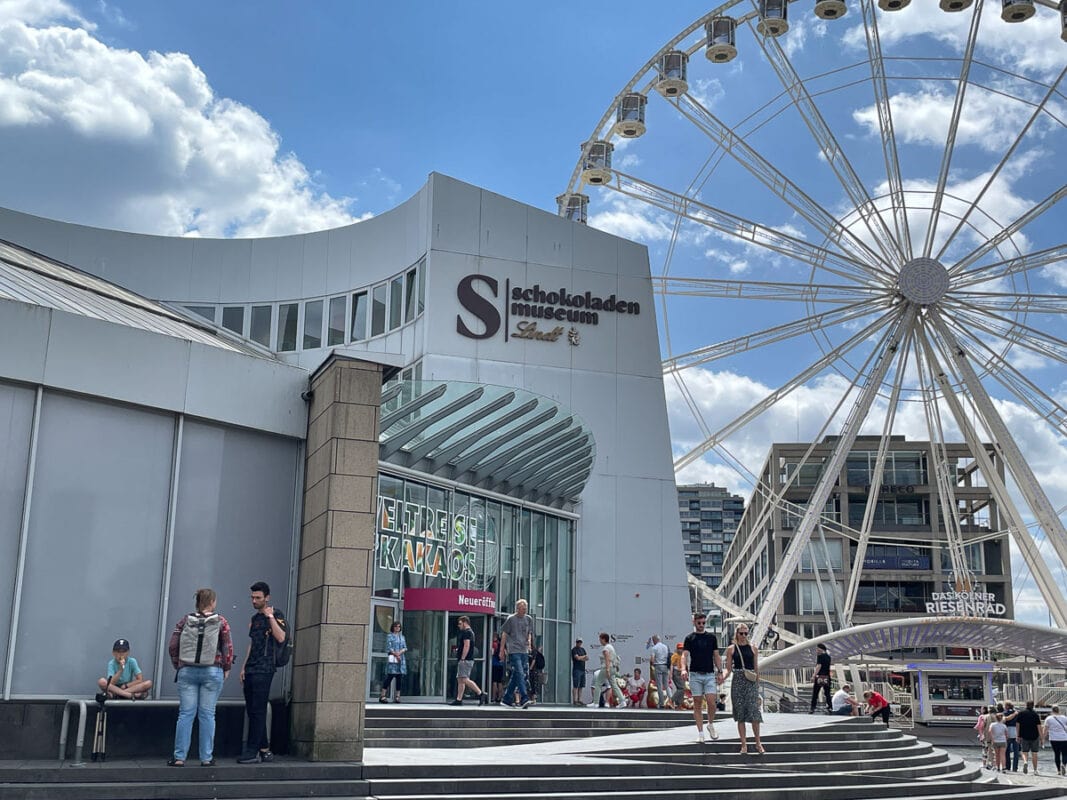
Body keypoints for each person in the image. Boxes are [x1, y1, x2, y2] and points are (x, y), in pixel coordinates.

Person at [167, 588, 232, 767]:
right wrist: (226, 667)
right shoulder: (221, 621)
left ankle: (179, 757)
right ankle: (206, 758)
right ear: (212, 602)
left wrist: (178, 665)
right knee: (207, 714)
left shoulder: (185, 621)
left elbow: (172, 646)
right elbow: (227, 646)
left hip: (187, 670)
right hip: (212, 671)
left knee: (186, 714)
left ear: (197, 603)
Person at [237, 581, 288, 764]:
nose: (254, 601)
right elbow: (252, 644)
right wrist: (243, 666)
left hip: (265, 668)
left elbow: (281, 637)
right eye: (252, 597)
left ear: (267, 598)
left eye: (258, 598)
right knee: (252, 710)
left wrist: (270, 617)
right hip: (251, 667)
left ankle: (252, 752)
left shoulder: (275, 614)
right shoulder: (255, 619)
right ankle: (265, 749)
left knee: (258, 710)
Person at [722, 623, 763, 754]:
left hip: (750, 681)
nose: (744, 636)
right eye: (741, 633)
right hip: (738, 679)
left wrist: (757, 687)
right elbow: (728, 669)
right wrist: (722, 677)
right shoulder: (731, 649)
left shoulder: (753, 648)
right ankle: (744, 744)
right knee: (740, 714)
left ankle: (758, 743)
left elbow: (756, 668)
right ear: (737, 634)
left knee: (754, 713)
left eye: (746, 633)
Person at [680, 611, 722, 743]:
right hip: (695, 674)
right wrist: (683, 669)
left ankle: (710, 724)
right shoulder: (689, 638)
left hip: (709, 674)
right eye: (699, 623)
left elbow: (716, 655)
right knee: (697, 703)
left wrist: (720, 671)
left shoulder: (711, 638)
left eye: (703, 623)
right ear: (694, 622)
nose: (701, 625)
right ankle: (701, 732)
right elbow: (684, 655)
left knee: (711, 701)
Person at [498, 598, 535, 708]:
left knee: (517, 676)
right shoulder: (511, 619)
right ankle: (524, 697)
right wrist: (501, 650)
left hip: (524, 650)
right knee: (519, 672)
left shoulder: (528, 619)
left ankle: (506, 699)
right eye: (523, 609)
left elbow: (529, 632)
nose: (525, 610)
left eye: (526, 608)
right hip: (514, 650)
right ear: (517, 608)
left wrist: (529, 641)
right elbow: (504, 634)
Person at [448, 615, 488, 706]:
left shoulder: (467, 632)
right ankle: (459, 699)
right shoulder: (470, 632)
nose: (459, 625)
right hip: (466, 659)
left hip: (465, 659)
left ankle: (480, 693)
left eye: (460, 623)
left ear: (465, 622)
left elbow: (467, 645)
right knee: (460, 679)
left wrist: (462, 658)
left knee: (464, 679)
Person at [380, 621, 407, 703]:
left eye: (399, 627)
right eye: (396, 626)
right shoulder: (390, 636)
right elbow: (389, 647)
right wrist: (396, 654)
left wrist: (400, 653)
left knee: (399, 678)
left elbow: (405, 647)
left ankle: (397, 697)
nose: (397, 628)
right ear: (393, 627)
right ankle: (382, 695)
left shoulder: (402, 637)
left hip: (400, 659)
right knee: (389, 677)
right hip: (393, 659)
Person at [1016, 699, 1045, 774]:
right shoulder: (1035, 714)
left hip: (1024, 735)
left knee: (1024, 752)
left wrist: (1018, 735)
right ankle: (1035, 770)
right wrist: (1042, 738)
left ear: (1026, 705)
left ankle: (1025, 762)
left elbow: (1017, 725)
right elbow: (1039, 727)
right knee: (1034, 753)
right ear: (1033, 705)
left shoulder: (1021, 713)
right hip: (1034, 736)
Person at [1045, 704, 1067, 776]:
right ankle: (1063, 764)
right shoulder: (1064, 718)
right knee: (1065, 753)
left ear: (1052, 710)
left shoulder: (1048, 719)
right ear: (1059, 710)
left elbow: (1045, 729)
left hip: (1054, 739)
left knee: (1056, 754)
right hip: (1064, 738)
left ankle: (1058, 770)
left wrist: (1043, 738)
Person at [649, 635, 670, 709]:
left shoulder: (654, 648)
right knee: (666, 685)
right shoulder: (665, 646)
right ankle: (671, 701)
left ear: (654, 640)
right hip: (665, 666)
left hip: (658, 666)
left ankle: (662, 703)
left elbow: (652, 659)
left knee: (659, 686)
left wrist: (652, 664)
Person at [810, 643, 832, 713]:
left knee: (815, 693)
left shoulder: (820, 656)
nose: (816, 651)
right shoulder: (828, 657)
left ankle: (812, 708)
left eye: (817, 649)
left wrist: (813, 676)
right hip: (827, 677)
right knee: (827, 693)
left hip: (819, 677)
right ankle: (830, 706)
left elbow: (818, 666)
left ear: (821, 649)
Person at [570, 637, 588, 706]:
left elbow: (587, 658)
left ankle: (580, 700)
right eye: (578, 642)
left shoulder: (583, 649)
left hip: (582, 669)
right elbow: (576, 658)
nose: (579, 643)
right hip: (576, 669)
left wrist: (581, 657)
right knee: (576, 685)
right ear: (576, 642)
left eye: (580, 642)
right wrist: (583, 657)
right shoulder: (574, 650)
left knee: (581, 685)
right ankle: (575, 700)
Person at [1003, 702, 1020, 772]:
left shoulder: (1005, 713)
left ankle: (1008, 766)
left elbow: (1005, 719)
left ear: (1007, 706)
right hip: (1016, 731)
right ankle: (1015, 768)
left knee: (1007, 751)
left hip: (1008, 732)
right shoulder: (1017, 713)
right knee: (1016, 752)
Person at [670, 642, 686, 709]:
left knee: (681, 689)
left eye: (682, 648)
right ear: (677, 649)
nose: (681, 650)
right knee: (681, 688)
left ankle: (679, 705)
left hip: (681, 672)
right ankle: (671, 700)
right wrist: (671, 674)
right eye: (679, 648)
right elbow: (671, 665)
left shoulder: (683, 655)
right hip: (676, 672)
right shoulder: (675, 655)